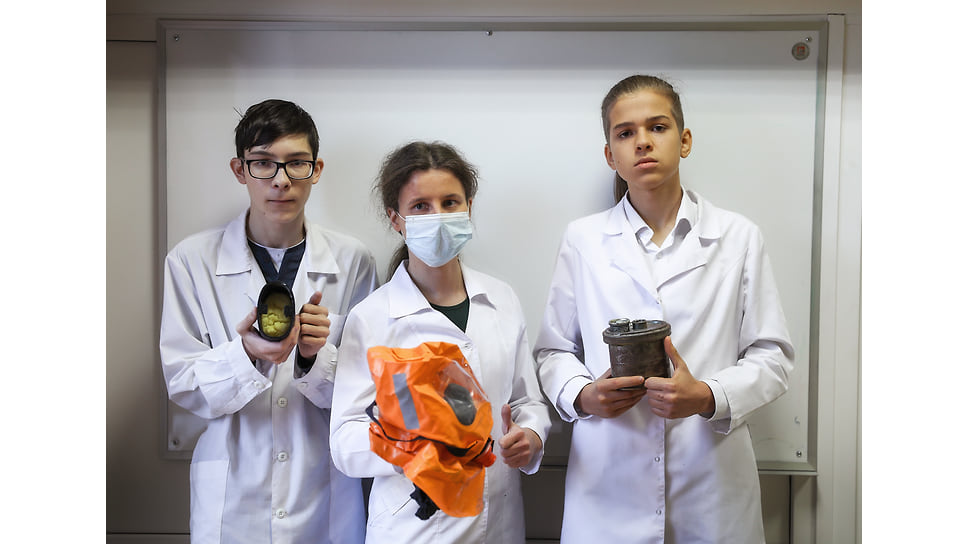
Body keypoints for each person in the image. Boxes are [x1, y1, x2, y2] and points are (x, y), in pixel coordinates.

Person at [533, 75, 795, 544]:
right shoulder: (583, 240)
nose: (643, 142)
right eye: (625, 133)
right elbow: (553, 351)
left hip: (710, 483)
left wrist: (709, 395)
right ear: (610, 155)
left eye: (658, 127)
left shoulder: (737, 237)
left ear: (684, 140)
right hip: (607, 484)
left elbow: (772, 356)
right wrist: (583, 395)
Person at [160, 99, 378, 544]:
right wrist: (245, 354)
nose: (281, 180)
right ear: (240, 170)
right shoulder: (191, 260)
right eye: (263, 163)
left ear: (316, 170)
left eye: (296, 163)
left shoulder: (353, 260)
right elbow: (182, 383)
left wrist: (313, 359)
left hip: (324, 491)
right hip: (233, 496)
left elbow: (370, 391)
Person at [330, 141, 551, 543]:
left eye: (450, 203)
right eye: (420, 207)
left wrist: (531, 436)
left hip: (500, 523)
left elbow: (525, 401)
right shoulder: (372, 317)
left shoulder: (501, 299)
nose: (438, 217)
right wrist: (412, 447)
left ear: (469, 207)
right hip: (415, 529)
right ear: (396, 219)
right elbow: (345, 441)